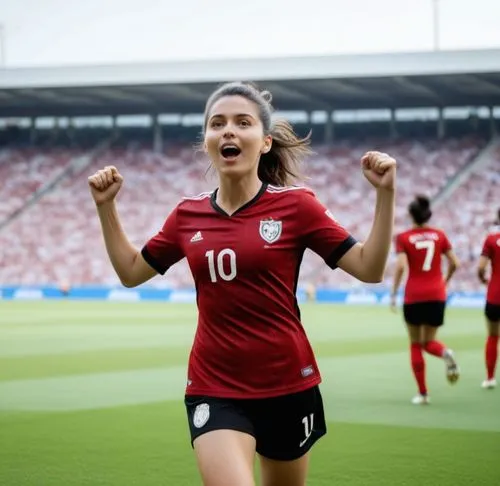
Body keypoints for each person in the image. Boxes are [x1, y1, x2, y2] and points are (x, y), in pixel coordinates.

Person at [88, 81, 397, 486]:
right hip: (214, 387)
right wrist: (106, 207)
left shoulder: (297, 206)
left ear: (265, 142)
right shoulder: (187, 215)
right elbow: (131, 271)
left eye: (242, 122)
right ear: (207, 141)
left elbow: (370, 269)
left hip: (288, 384)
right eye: (217, 124)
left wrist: (385, 195)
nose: (228, 130)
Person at [391, 195, 461, 405]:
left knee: (415, 344)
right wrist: (444, 281)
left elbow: (401, 267)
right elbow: (455, 263)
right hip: (436, 294)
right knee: (429, 341)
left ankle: (423, 393)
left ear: (411, 215)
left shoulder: (403, 237)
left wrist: (394, 293)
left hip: (414, 295)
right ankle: (444, 352)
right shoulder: (439, 235)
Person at [477, 208, 500, 389]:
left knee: (493, 337)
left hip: (495, 295)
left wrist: (484, 279)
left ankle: (490, 377)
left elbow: (481, 267)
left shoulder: (491, 240)